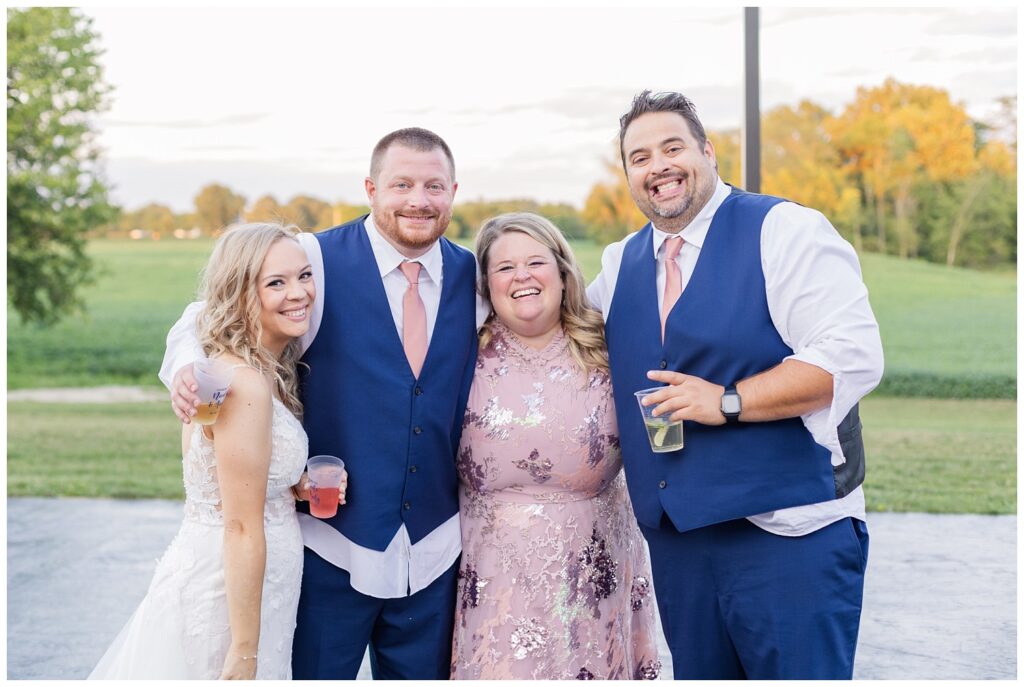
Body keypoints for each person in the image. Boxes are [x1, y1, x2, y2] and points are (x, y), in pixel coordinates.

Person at [161, 128, 483, 679]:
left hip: (433, 553)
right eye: (401, 184)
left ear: (453, 191)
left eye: (433, 186)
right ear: (371, 189)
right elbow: (210, 309)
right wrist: (186, 367)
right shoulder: (314, 259)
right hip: (329, 550)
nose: (418, 200)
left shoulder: (475, 277)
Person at [587, 91, 884, 679]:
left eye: (673, 147)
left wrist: (728, 401)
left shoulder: (785, 229)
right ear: (628, 176)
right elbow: (562, 331)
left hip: (789, 535)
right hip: (680, 541)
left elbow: (851, 355)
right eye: (639, 157)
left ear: (708, 151)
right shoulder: (620, 262)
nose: (659, 166)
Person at [90, 223, 318, 679]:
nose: (299, 293)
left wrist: (293, 483)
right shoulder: (243, 384)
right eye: (276, 282)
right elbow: (237, 525)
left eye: (305, 275)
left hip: (244, 583)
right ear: (239, 294)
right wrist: (245, 651)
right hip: (228, 598)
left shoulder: (233, 371)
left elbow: (228, 474)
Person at [450, 213, 661, 680]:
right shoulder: (460, 353)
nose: (521, 276)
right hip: (492, 569)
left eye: (535, 262)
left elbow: (663, 423)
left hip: (594, 563)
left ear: (563, 273)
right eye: (504, 267)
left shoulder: (610, 346)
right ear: (486, 283)